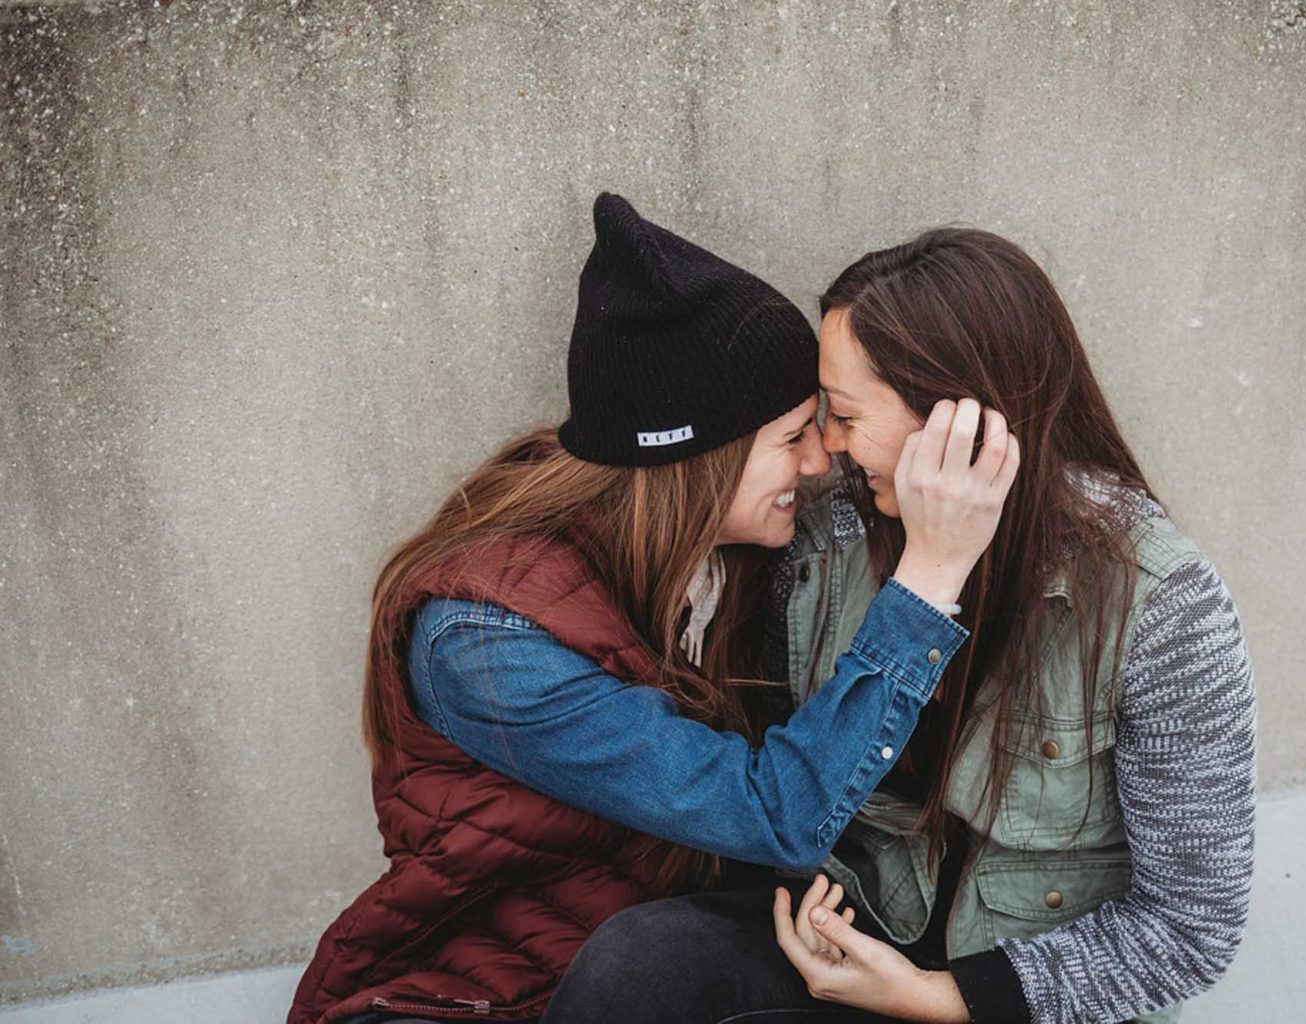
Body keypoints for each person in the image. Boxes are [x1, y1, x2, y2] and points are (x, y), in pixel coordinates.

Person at [287, 198, 1018, 1024]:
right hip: (485, 992)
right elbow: (773, 813)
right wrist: (928, 578)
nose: (821, 462)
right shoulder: (486, 645)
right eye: (791, 440)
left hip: (656, 960)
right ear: (697, 463)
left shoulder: (723, 554)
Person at [543, 227, 1257, 1024]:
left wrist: (936, 998)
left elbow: (1191, 929)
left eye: (844, 416)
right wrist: (804, 910)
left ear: (963, 423)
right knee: (635, 970)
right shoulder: (825, 544)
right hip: (857, 931)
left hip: (1015, 995)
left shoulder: (1161, 609)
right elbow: (783, 775)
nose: (829, 451)